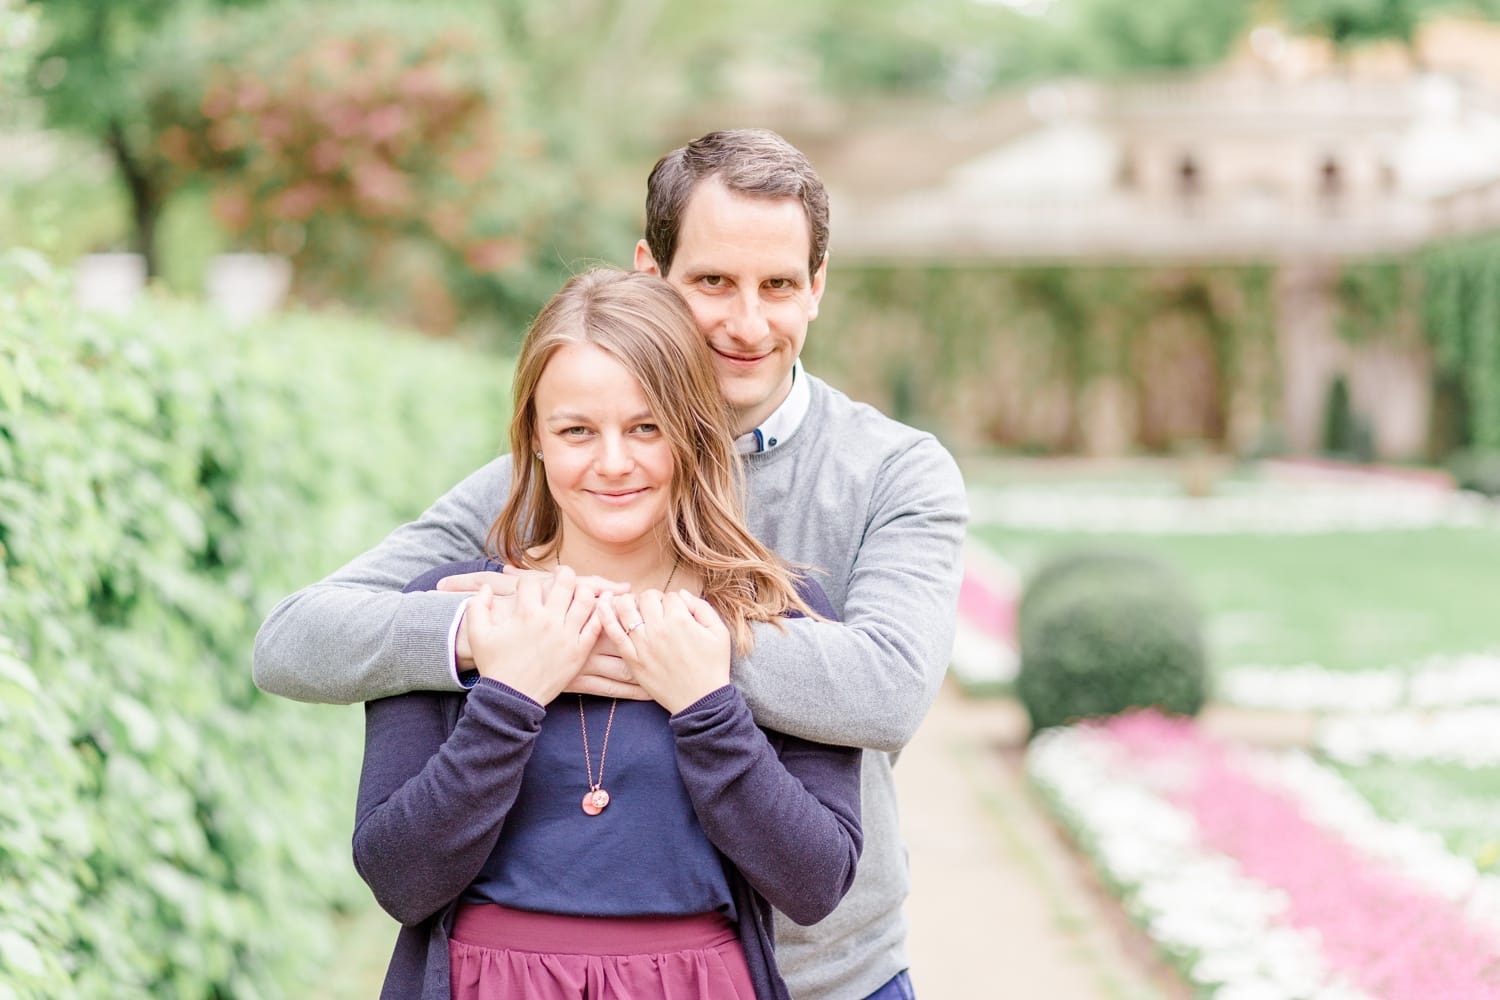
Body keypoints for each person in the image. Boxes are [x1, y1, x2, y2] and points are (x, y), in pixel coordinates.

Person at [255, 128, 968, 1000]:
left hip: (834, 971)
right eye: (712, 281)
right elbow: (296, 638)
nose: (748, 322)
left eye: (778, 285)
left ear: (816, 288)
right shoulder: (552, 480)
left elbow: (890, 689)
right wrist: (492, 634)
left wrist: (669, 650)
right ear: (649, 274)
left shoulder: (893, 471)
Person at [356, 268, 861, 999]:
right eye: (577, 431)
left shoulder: (780, 613)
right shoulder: (451, 611)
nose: (614, 462)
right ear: (534, 435)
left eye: (646, 427)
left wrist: (707, 707)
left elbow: (815, 883)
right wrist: (507, 698)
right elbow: (399, 878)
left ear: (692, 431)